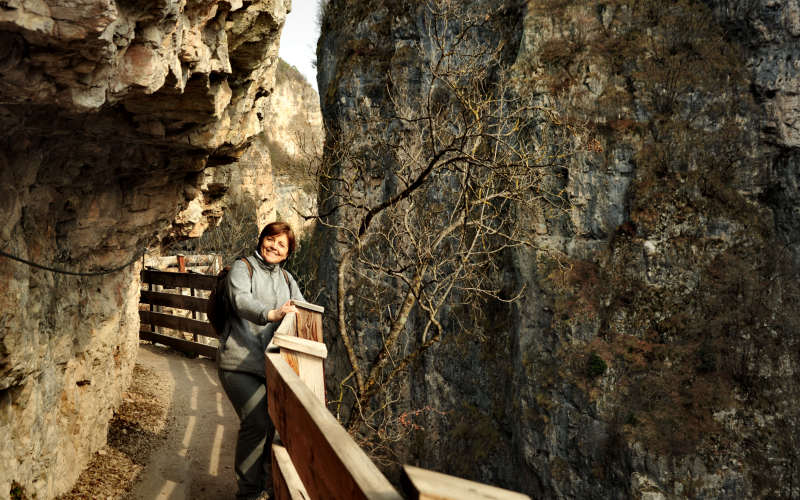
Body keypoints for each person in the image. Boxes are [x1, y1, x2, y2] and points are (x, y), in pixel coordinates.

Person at [217, 221, 304, 500]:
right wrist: (272, 314)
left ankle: (266, 484)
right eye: (271, 239)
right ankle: (249, 493)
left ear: (288, 253)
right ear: (261, 239)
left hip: (270, 369)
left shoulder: (288, 280)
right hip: (238, 363)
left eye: (282, 244)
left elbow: (302, 310)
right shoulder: (243, 268)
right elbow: (240, 301)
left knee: (275, 422)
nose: (274, 247)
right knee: (256, 421)